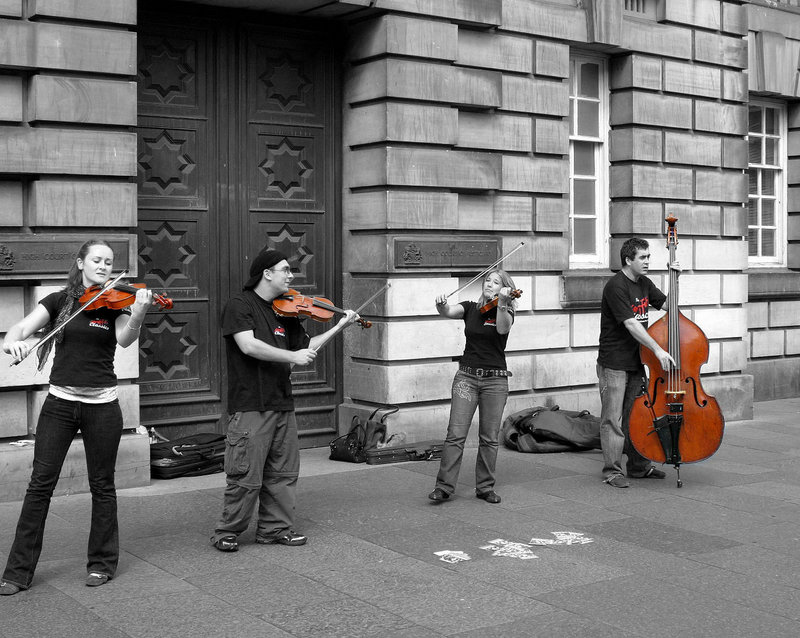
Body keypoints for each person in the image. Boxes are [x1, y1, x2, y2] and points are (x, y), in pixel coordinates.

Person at [0, 240, 154, 596]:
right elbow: (18, 331)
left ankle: (101, 565)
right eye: (96, 260)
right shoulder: (58, 301)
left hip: (103, 405)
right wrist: (15, 343)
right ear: (81, 262)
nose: (103, 266)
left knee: (102, 485)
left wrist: (141, 313)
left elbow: (126, 340)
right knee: (40, 485)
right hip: (60, 403)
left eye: (109, 262)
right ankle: (17, 571)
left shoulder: (115, 304)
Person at [211, 249, 357, 552]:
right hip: (251, 403)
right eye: (285, 270)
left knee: (283, 472)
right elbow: (249, 345)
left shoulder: (284, 312)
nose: (291, 276)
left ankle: (274, 529)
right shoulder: (239, 305)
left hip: (281, 402)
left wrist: (338, 327)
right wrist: (292, 356)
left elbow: (305, 348)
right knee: (246, 474)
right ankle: (228, 530)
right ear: (267, 273)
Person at [427, 269, 516, 505]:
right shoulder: (470, 307)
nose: (489, 284)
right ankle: (443, 487)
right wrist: (441, 304)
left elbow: (502, 329)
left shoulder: (504, 311)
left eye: (496, 282)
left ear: (503, 288)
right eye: (488, 280)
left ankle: (485, 487)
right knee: (455, 434)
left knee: (489, 437)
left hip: (495, 380)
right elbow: (448, 311)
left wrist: (504, 303)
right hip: (466, 377)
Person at [597, 237, 679, 488]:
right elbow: (632, 324)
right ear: (628, 260)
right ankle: (612, 471)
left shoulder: (644, 283)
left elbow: (669, 306)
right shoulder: (616, 287)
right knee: (612, 419)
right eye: (642, 257)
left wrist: (675, 277)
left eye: (648, 257)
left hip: (636, 361)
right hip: (614, 363)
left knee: (636, 417)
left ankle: (638, 467)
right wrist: (658, 350)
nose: (647, 261)